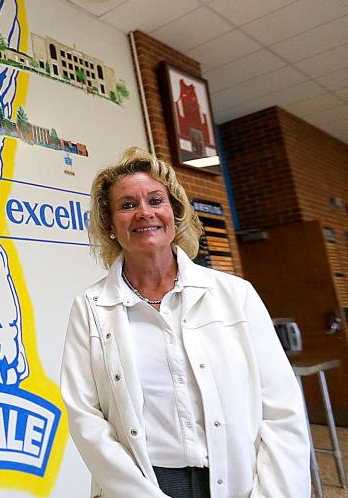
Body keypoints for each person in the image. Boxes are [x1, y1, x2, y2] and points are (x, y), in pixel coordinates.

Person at [61, 147, 309, 498]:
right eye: (127, 205)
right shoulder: (90, 307)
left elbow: (282, 410)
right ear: (110, 226)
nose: (143, 212)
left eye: (155, 200)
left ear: (174, 213)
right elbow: (85, 417)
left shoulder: (235, 295)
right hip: (145, 484)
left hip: (240, 480)